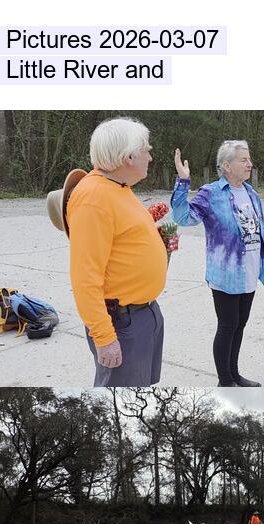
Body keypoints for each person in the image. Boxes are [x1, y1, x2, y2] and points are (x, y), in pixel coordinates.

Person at [49, 118, 166, 386]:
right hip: (122, 322)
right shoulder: (93, 198)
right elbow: (85, 278)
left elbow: (120, 235)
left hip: (144, 313)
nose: (150, 156)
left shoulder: (119, 187)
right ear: (127, 157)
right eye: (146, 150)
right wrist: (104, 337)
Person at [171, 141, 264, 387]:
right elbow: (183, 217)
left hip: (249, 272)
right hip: (226, 275)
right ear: (226, 165)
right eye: (243, 160)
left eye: (249, 159)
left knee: (240, 325)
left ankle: (235, 374)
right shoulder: (211, 193)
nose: (250, 164)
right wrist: (183, 182)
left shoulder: (251, 193)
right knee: (227, 326)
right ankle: (225, 382)